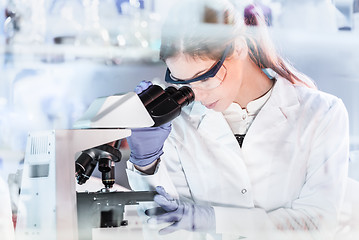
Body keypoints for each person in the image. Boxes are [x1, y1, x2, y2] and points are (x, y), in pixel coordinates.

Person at [125, 0, 349, 239]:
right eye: (184, 84)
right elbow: (166, 228)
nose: (196, 95)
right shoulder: (176, 125)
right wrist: (145, 165)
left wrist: (215, 220)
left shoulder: (322, 113)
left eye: (204, 78)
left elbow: (316, 224)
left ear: (238, 49)